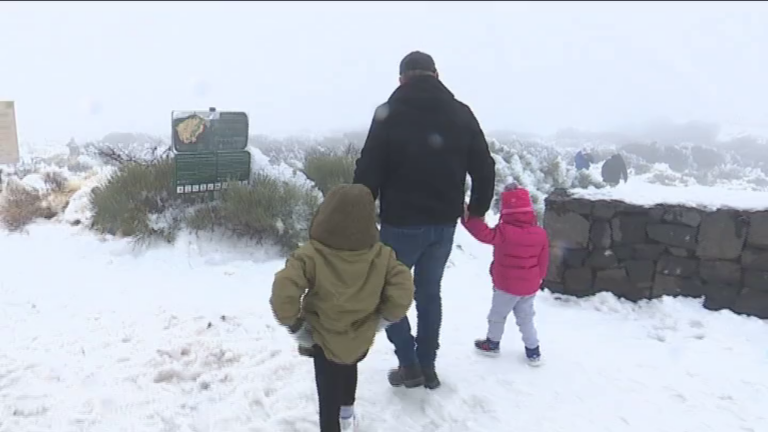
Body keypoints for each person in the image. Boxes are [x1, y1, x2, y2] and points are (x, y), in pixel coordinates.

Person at [353, 51, 496, 390]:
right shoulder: (460, 113)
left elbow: (369, 166)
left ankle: (409, 362)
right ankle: (427, 365)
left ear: (402, 78)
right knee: (429, 293)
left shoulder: (390, 112)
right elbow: (485, 166)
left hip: (401, 223)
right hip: (444, 224)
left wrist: (356, 212)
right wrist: (476, 209)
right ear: (435, 74)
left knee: (387, 293)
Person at [270, 184, 415, 432]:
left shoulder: (311, 254)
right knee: (350, 368)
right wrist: (382, 320)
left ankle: (332, 426)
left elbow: (284, 291)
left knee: (327, 393)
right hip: (360, 334)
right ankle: (347, 415)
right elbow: (403, 291)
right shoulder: (382, 255)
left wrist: (296, 327)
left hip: (321, 338)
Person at [461, 183, 549, 366]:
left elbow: (483, 234)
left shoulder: (504, 232)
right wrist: (538, 279)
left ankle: (492, 344)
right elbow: (543, 261)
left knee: (497, 315)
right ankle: (533, 351)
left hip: (506, 287)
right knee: (526, 318)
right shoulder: (540, 234)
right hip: (529, 287)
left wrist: (469, 217)